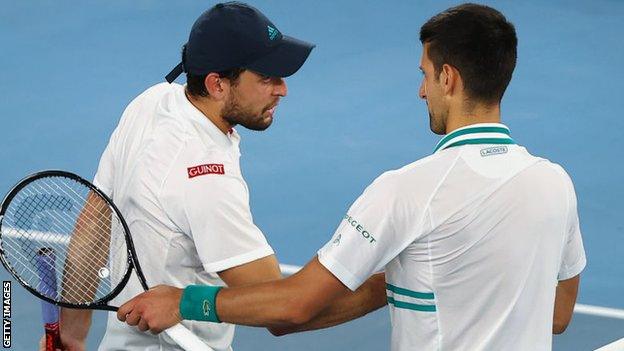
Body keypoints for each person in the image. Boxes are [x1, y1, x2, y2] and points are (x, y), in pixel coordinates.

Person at [117, 3, 586, 350]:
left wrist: (184, 302)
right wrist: (455, 278)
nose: (421, 90)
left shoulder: (404, 191)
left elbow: (292, 307)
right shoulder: (556, 184)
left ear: (448, 78)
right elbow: (559, 314)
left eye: (424, 74)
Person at [42, 2, 315, 350]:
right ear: (217, 85)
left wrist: (71, 334)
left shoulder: (151, 103)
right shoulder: (208, 180)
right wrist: (380, 288)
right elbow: (284, 308)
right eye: (266, 78)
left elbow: (94, 224)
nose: (282, 89)